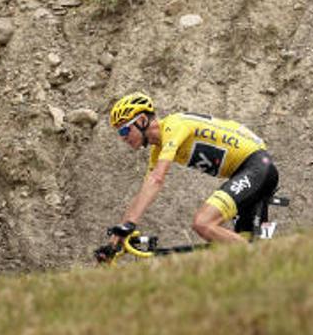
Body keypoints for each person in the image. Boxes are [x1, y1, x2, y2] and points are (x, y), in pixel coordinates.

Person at [96, 92, 279, 261]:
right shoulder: (157, 150)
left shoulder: (173, 126)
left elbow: (156, 179)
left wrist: (130, 225)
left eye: (124, 130)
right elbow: (145, 191)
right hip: (247, 171)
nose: (123, 138)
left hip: (256, 166)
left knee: (203, 223)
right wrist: (115, 240)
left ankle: (266, 261)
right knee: (239, 247)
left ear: (142, 120)